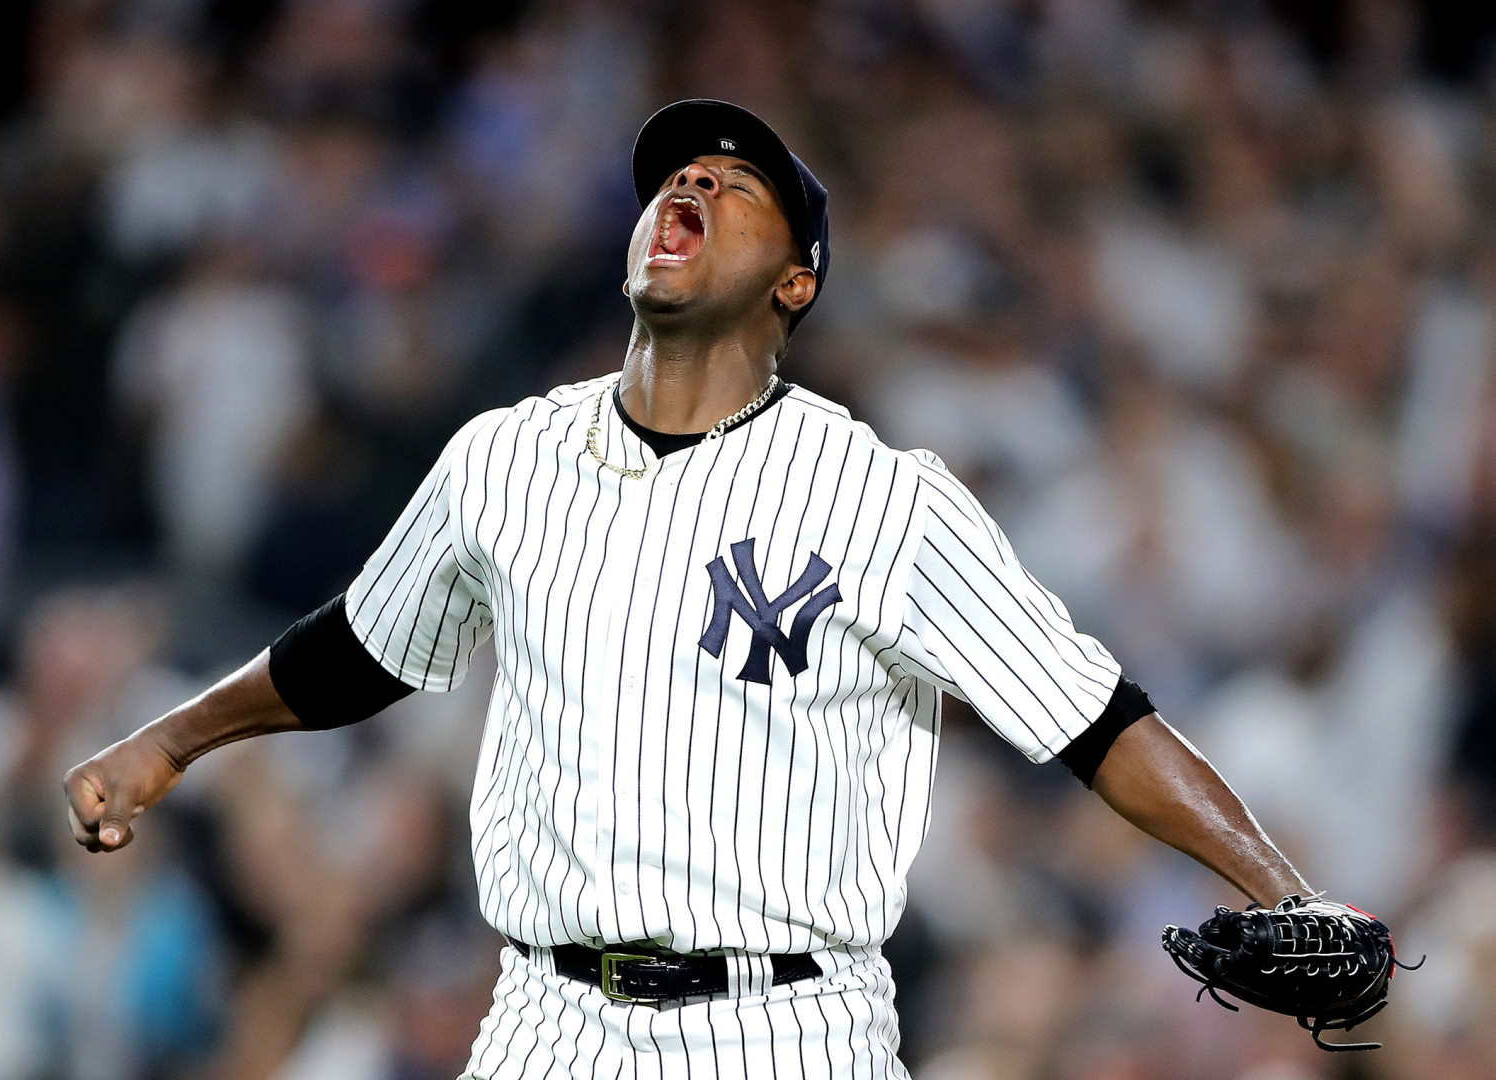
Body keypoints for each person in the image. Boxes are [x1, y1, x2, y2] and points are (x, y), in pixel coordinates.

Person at [66, 100, 1312, 1079]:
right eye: (678, 177)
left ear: (795, 283)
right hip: (548, 1021)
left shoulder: (885, 497)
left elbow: (1096, 720)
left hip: (787, 1028)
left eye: (736, 185)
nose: (692, 187)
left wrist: (1288, 895)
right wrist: (168, 744)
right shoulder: (504, 457)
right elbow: (359, 651)